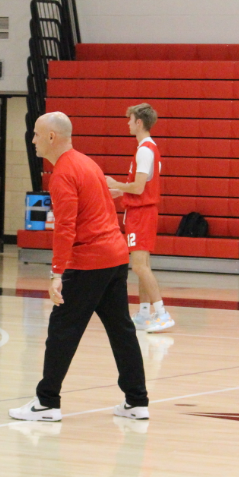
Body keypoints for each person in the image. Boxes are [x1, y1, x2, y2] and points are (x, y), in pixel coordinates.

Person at [10, 111, 150, 422]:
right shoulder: (87, 163)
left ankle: (46, 403)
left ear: (51, 137)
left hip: (90, 261)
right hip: (114, 257)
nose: (32, 140)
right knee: (122, 331)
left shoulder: (62, 173)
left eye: (35, 133)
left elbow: (65, 228)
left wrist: (56, 272)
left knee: (62, 331)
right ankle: (137, 401)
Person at [106, 103, 174, 333]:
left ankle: (162, 313)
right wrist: (118, 191)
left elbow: (137, 187)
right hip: (140, 212)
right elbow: (138, 187)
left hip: (142, 213)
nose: (127, 123)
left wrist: (116, 184)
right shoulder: (148, 148)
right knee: (142, 266)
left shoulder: (145, 149)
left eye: (130, 119)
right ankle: (145, 313)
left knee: (139, 267)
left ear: (139, 123)